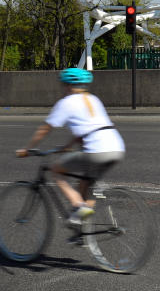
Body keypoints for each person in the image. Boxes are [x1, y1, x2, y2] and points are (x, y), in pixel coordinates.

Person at [16, 67, 125, 225]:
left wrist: (27, 149)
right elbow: (91, 127)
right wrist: (68, 145)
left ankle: (78, 205)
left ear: (68, 86)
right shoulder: (94, 100)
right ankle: (84, 231)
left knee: (56, 170)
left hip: (96, 150)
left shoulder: (66, 103)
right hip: (116, 148)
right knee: (86, 182)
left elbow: (45, 129)